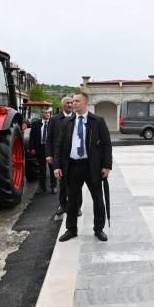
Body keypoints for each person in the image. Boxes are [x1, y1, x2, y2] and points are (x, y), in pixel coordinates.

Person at [54, 91, 112, 242]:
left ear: (86, 103)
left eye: (77, 101)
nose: (73, 103)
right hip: (73, 166)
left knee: (98, 199)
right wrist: (57, 165)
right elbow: (59, 145)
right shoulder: (67, 122)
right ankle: (71, 229)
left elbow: (107, 144)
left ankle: (99, 229)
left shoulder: (97, 121)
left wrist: (107, 166)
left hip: (91, 166)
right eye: (72, 101)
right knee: (72, 200)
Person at [46, 96, 79, 219]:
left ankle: (76, 207)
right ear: (63, 105)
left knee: (75, 183)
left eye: (72, 103)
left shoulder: (77, 118)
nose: (70, 105)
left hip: (75, 156)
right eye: (67, 103)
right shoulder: (54, 119)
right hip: (60, 157)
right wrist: (48, 154)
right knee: (63, 182)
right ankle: (63, 205)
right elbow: (49, 139)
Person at [28, 106, 55, 193]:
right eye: (44, 112)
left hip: (51, 149)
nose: (46, 114)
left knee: (52, 168)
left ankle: (53, 186)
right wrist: (31, 148)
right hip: (40, 149)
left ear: (50, 114)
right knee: (42, 169)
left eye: (48, 113)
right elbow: (32, 137)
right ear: (41, 114)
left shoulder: (54, 123)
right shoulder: (36, 124)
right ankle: (42, 187)